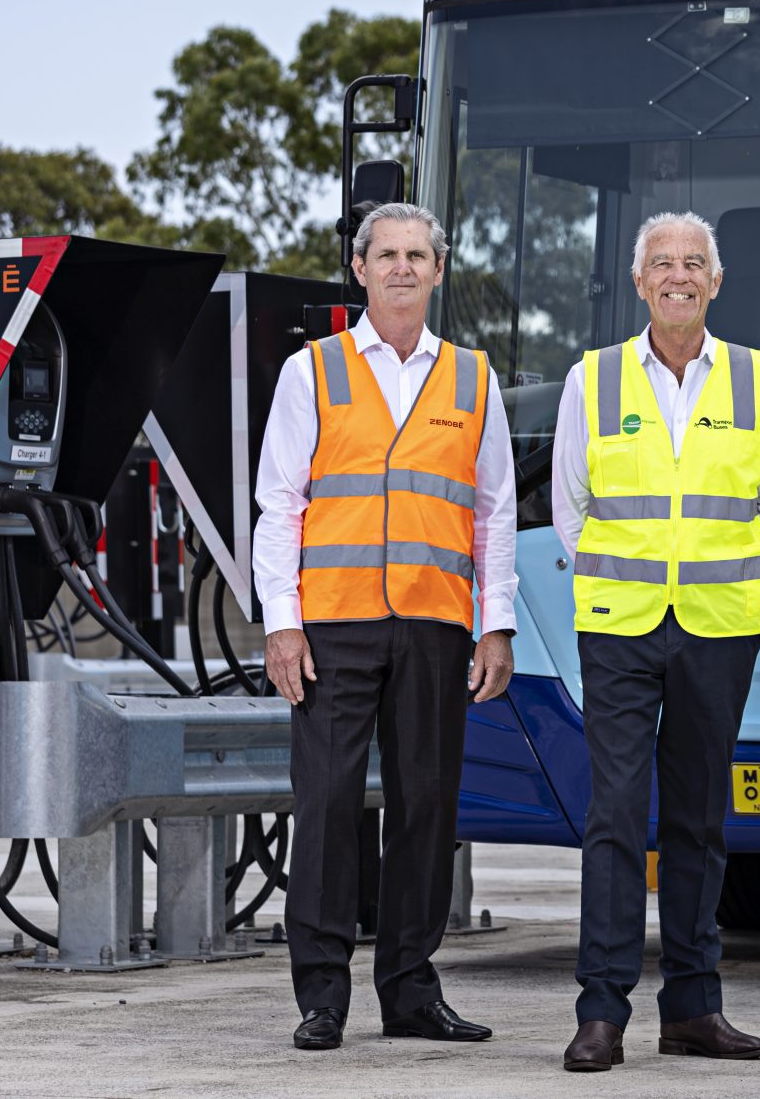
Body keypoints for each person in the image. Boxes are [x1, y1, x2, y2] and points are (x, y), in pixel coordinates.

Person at [253, 201, 517, 1052]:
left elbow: (495, 513)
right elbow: (279, 505)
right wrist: (281, 624)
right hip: (332, 627)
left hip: (437, 623)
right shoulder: (313, 372)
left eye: (418, 254)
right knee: (327, 805)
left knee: (426, 809)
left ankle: (409, 989)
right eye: (387, 254)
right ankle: (321, 996)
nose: (403, 266)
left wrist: (497, 623)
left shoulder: (474, 379)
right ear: (359, 270)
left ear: (439, 271)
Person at [551, 210, 760, 1072]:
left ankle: (694, 1007)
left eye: (694, 263)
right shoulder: (593, 378)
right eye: (663, 263)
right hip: (619, 627)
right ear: (638, 281)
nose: (679, 276)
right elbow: (569, 508)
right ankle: (601, 1011)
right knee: (615, 814)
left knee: (698, 820)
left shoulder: (759, 381)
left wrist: (725, 578)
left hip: (718, 629)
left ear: (716, 282)